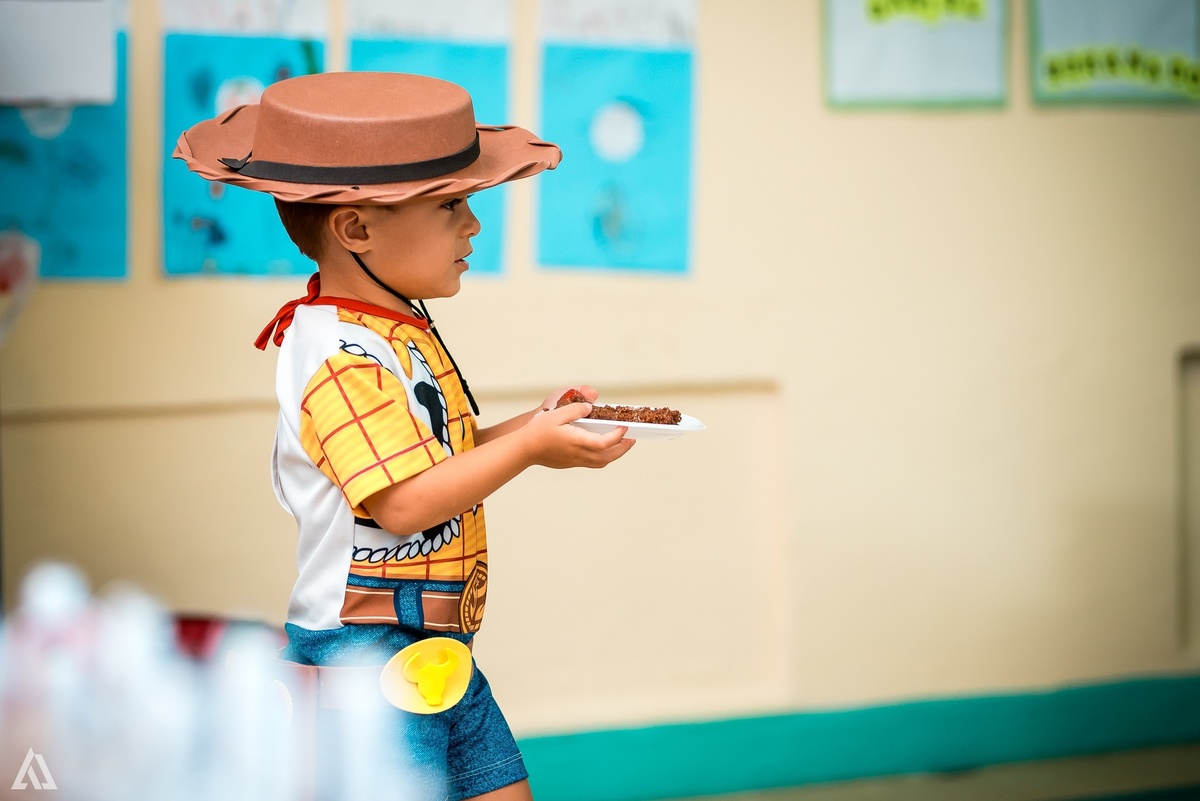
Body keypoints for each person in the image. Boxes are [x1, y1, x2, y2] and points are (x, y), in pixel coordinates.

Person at [174, 71, 635, 801]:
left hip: (435, 650)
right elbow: (404, 503)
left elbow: (442, 459)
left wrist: (538, 426)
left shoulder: (392, 330)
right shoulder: (341, 358)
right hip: (366, 657)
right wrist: (528, 449)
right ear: (355, 230)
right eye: (451, 205)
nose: (473, 226)